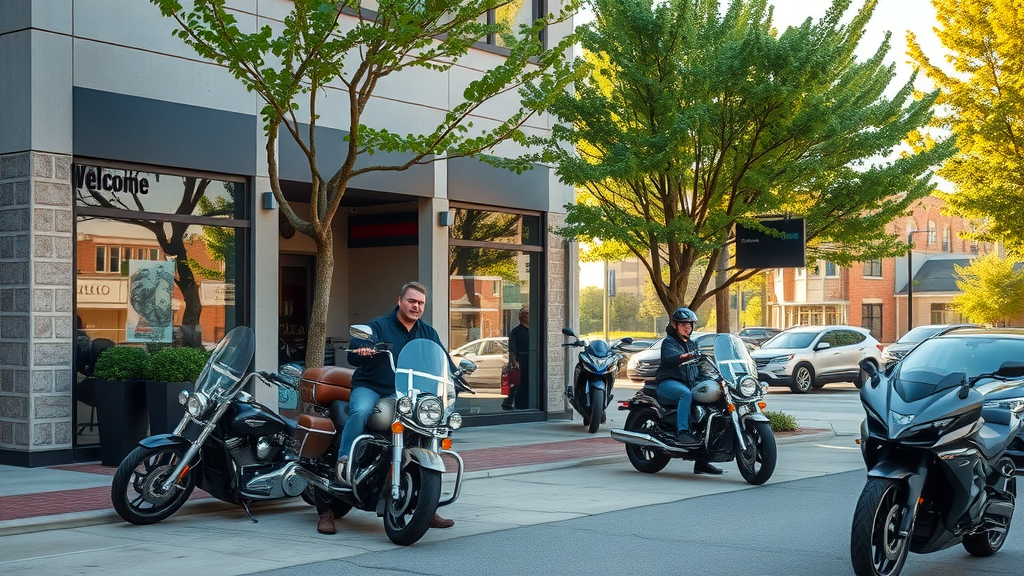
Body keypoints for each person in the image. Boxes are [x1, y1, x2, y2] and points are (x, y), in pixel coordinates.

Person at [317, 281, 456, 534]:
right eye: (412, 301)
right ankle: (344, 460)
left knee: (428, 427)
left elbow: (443, 361)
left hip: (402, 392)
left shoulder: (427, 333)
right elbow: (353, 355)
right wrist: (363, 351)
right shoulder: (379, 326)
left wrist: (457, 376)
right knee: (360, 411)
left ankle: (426, 506)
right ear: (400, 300)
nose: (416, 306)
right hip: (371, 386)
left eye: (420, 303)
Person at [654, 307, 723, 475]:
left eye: (690, 324)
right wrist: (684, 357)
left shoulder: (691, 343)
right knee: (686, 394)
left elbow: (700, 365)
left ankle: (702, 462)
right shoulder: (669, 342)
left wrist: (714, 375)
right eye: (684, 324)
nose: (688, 327)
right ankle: (682, 432)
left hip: (690, 382)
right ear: (675, 325)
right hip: (669, 382)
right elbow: (672, 357)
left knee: (712, 405)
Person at [502, 307, 529, 410]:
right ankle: (511, 402)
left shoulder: (533, 331)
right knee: (518, 383)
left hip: (529, 361)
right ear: (522, 317)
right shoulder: (516, 331)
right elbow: (512, 349)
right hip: (520, 361)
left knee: (525, 383)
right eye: (527, 315)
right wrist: (514, 362)